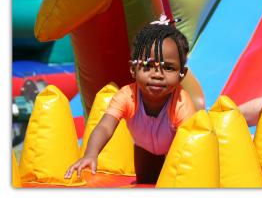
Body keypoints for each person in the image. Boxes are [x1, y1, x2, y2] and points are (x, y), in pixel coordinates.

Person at [65, 14, 196, 184]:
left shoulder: (181, 103)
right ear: (133, 70)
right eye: (147, 66)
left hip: (177, 150)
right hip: (144, 148)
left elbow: (189, 144)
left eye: (168, 68)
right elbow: (105, 127)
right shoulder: (127, 96)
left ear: (181, 74)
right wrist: (91, 154)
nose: (157, 75)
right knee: (145, 183)